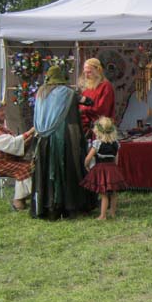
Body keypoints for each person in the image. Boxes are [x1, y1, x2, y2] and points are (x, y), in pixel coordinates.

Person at [32, 65, 93, 219]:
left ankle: (49, 207)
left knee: (47, 171)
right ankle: (70, 206)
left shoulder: (40, 93)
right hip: (64, 138)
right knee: (67, 168)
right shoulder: (68, 93)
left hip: (44, 139)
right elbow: (88, 101)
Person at [0, 101, 36, 211]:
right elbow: (11, 144)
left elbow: (12, 143)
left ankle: (21, 199)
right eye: (1, 111)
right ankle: (20, 200)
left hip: (3, 161)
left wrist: (29, 139)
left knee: (31, 165)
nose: (4, 113)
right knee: (26, 167)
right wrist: (30, 132)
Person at [81, 117, 126, 220]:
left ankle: (103, 215)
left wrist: (86, 165)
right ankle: (112, 213)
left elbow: (88, 158)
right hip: (112, 169)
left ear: (98, 130)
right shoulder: (115, 144)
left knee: (104, 194)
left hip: (101, 170)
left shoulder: (97, 143)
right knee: (113, 193)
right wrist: (114, 170)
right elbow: (116, 159)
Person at [78, 58, 115, 134]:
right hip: (85, 128)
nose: (86, 76)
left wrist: (84, 108)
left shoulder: (106, 86)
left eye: (89, 72)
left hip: (100, 129)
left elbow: (103, 110)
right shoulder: (87, 89)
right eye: (85, 73)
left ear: (97, 71)